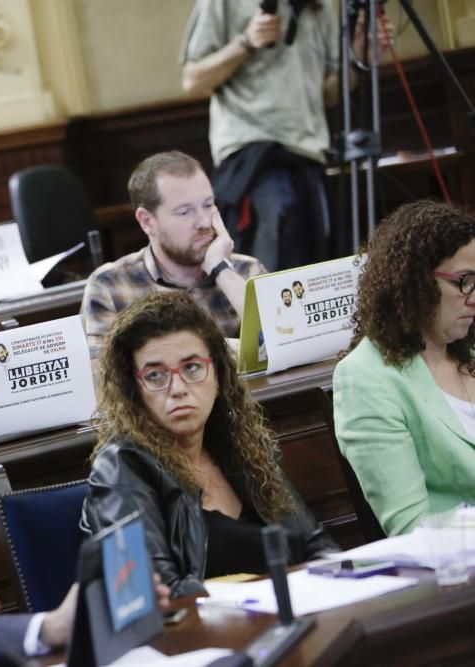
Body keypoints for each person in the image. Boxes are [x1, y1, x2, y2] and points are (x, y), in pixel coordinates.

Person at [81, 292, 336, 598]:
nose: (176, 389)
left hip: (294, 619)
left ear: (217, 372)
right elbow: (157, 593)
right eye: (155, 375)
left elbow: (317, 545)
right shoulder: (121, 466)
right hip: (204, 636)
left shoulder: (241, 448)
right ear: (133, 388)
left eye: (191, 368)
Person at [181, 1, 392, 270]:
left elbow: (327, 92)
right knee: (268, 281)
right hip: (253, 157)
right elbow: (193, 79)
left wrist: (359, 57)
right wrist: (246, 42)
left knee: (319, 276)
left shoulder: (322, 6)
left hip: (309, 157)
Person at [334, 201, 475, 537]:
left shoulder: (468, 349)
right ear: (416, 281)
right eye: (464, 281)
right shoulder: (365, 378)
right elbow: (413, 527)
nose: (473, 297)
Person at [81, 150, 265, 349]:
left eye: (208, 205)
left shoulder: (247, 271)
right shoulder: (110, 285)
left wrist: (221, 269)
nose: (204, 222)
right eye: (185, 212)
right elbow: (104, 374)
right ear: (147, 221)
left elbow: (283, 342)